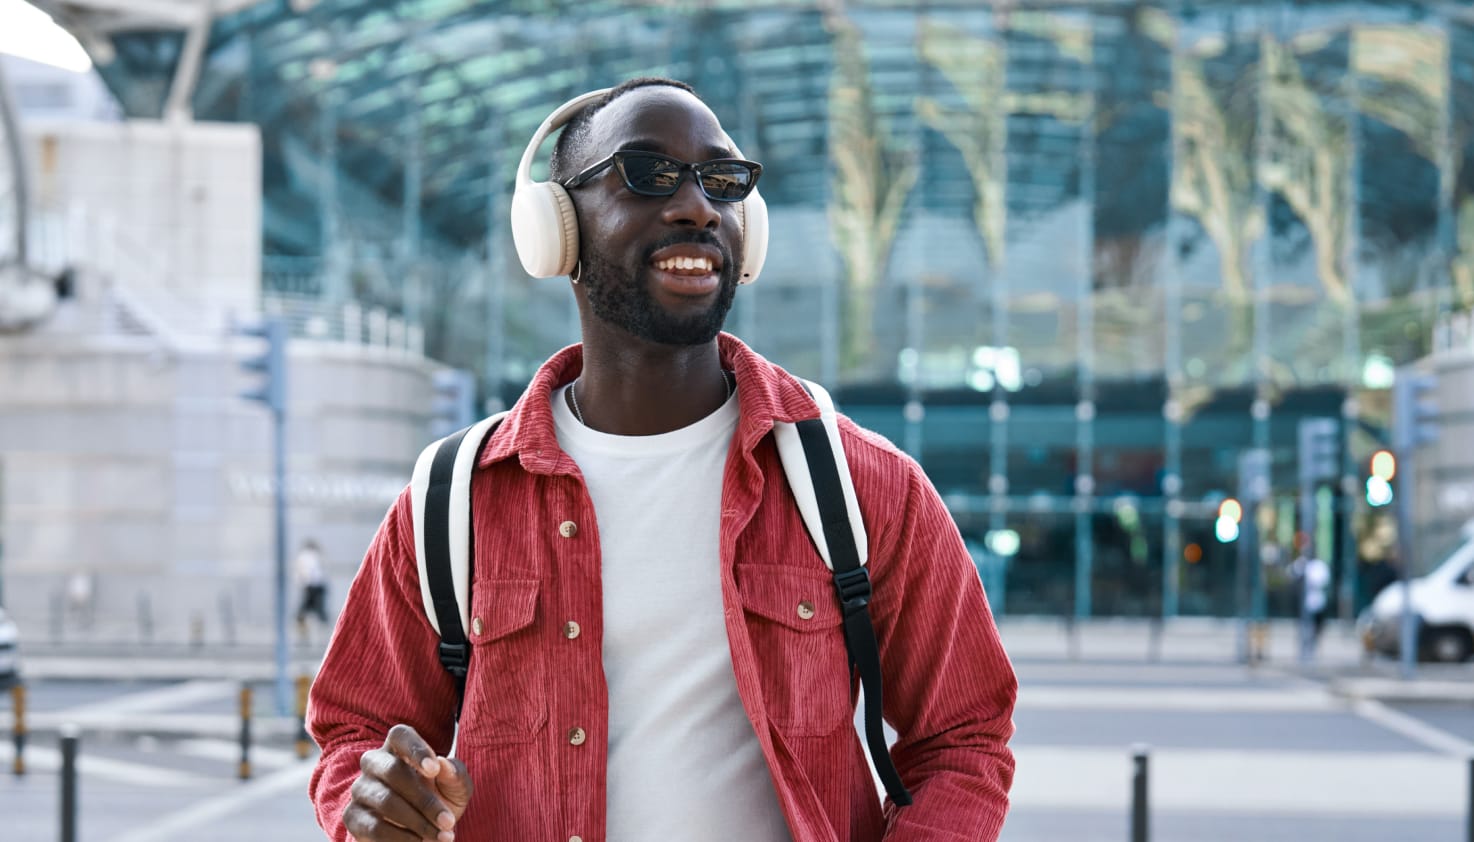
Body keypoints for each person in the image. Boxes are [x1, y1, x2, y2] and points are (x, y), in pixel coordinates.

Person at [307, 77, 1017, 842]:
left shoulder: (863, 486)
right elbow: (356, 730)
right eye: (646, 174)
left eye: (721, 182)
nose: (696, 207)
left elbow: (963, 737)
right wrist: (373, 801)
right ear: (555, 229)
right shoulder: (453, 501)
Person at [1292, 550, 1331, 662]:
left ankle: (1313, 648)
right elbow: (1293, 574)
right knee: (1303, 627)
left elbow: (1321, 581)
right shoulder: (1301, 563)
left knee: (1317, 627)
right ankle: (1303, 648)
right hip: (1303, 603)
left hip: (1317, 602)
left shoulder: (1319, 566)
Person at [294, 538, 329, 640]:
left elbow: (303, 572)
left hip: (312, 585)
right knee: (313, 611)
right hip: (314, 585)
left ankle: (307, 632)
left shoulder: (308, 556)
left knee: (308, 612)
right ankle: (306, 632)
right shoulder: (312, 555)